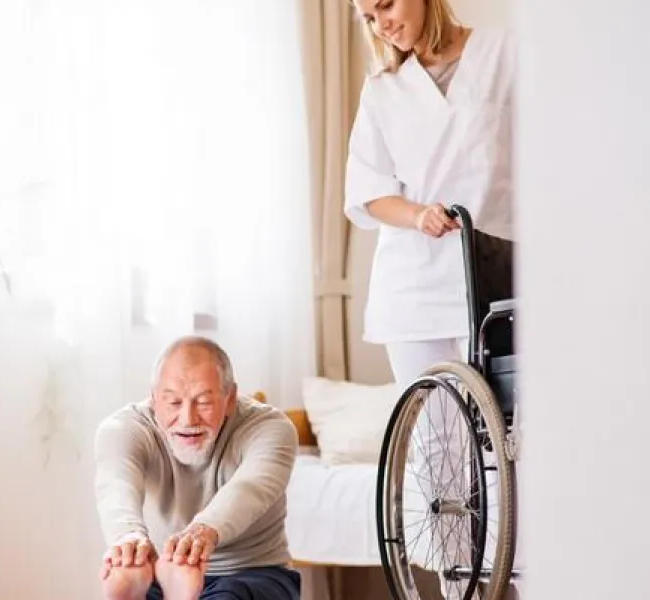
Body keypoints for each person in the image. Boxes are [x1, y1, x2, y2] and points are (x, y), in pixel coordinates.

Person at [343, 0, 516, 596]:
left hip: (493, 276)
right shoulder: (383, 89)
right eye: (369, 16)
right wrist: (417, 214)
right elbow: (368, 194)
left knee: (509, 449)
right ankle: (452, 588)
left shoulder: (503, 54)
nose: (381, 22)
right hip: (413, 288)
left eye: (386, 4)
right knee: (441, 452)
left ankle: (519, 581)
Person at [93, 336, 301, 600]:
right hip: (160, 572)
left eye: (203, 402)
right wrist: (129, 538)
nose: (188, 419)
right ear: (154, 397)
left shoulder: (270, 427)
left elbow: (250, 488)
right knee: (144, 589)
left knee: (230, 596)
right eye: (173, 403)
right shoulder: (123, 429)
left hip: (252, 572)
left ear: (230, 397)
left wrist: (201, 533)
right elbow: (116, 485)